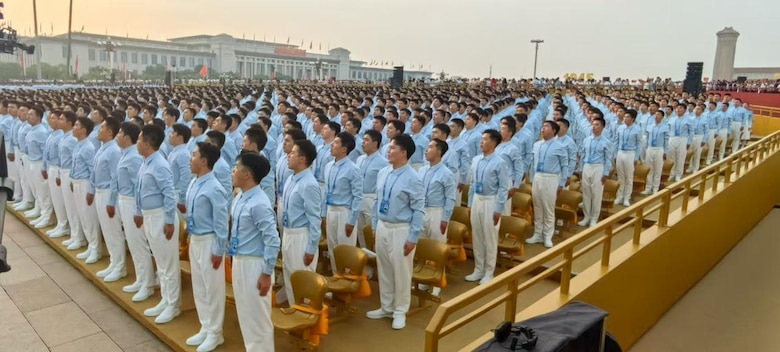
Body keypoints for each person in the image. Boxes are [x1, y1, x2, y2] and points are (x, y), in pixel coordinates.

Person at [366, 134, 424, 330]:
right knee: (384, 268)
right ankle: (386, 305)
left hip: (401, 229)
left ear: (403, 153)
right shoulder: (383, 172)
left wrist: (413, 237)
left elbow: (418, 210)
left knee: (401, 271)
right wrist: (375, 225)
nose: (388, 151)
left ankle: (400, 310)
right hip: (383, 225)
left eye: (392, 148)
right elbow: (377, 201)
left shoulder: (413, 178)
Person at [230, 152, 279, 352]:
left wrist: (267, 273)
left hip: (255, 264)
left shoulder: (259, 203)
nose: (233, 171)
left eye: (236, 168)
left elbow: (273, 240)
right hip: (240, 259)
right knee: (245, 314)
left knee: (258, 318)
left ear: (247, 174)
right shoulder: (240, 197)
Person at [185, 142, 230, 352]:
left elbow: (221, 223)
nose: (190, 159)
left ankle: (215, 332)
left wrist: (219, 250)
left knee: (213, 288)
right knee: (200, 286)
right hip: (196, 238)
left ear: (204, 161)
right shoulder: (194, 182)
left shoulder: (214, 188)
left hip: (210, 241)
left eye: (194, 155)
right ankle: (205, 326)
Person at [136, 124, 181, 324]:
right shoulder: (146, 162)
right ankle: (166, 299)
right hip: (150, 216)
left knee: (168, 264)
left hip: (161, 217)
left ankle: (174, 305)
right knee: (161, 264)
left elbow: (169, 194)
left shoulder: (160, 164)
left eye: (139, 139)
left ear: (147, 144)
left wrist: (169, 221)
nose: (137, 143)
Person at [109, 122, 154, 302]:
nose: (117, 136)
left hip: (131, 202)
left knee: (139, 244)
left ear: (127, 138)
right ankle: (141, 279)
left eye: (119, 133)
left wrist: (138, 210)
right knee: (133, 244)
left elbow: (139, 187)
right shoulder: (125, 154)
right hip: (124, 200)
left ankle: (148, 284)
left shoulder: (134, 157)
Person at [280, 139, 322, 305]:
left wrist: (311, 247)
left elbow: (315, 218)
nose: (289, 155)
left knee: (302, 278)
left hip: (301, 236)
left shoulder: (309, 184)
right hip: (289, 232)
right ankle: (294, 309)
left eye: (293, 153)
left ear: (302, 159)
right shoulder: (292, 179)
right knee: (289, 274)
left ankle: (305, 313)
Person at [466, 130, 509, 284]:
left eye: (485, 139)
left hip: (491, 201)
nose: (481, 142)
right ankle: (478, 269)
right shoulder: (476, 160)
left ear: (493, 143)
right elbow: (472, 183)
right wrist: (470, 203)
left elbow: (503, 187)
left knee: (489, 237)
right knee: (477, 236)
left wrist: (498, 209)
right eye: (481, 139)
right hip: (477, 199)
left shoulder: (500, 162)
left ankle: (489, 271)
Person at [417, 139, 456, 295]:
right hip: (422, 210)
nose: (426, 150)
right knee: (424, 247)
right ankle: (424, 278)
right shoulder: (422, 170)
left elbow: (450, 197)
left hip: (436, 211)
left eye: (430, 147)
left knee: (437, 247)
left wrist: (445, 218)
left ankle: (438, 280)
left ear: (439, 152)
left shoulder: (446, 173)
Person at [90, 117, 126, 282]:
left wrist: (111, 201)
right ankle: (113, 262)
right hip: (100, 191)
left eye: (102, 127)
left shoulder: (113, 151)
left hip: (108, 194)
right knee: (107, 230)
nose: (99, 130)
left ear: (110, 132)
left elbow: (115, 178)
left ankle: (120, 266)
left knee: (114, 232)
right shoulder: (103, 147)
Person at [323, 132, 363, 273]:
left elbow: (358, 197)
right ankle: (336, 276)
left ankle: (347, 279)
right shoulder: (329, 166)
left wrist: (352, 221)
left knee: (345, 248)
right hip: (331, 209)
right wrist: (324, 214)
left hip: (345, 212)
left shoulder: (353, 169)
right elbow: (326, 192)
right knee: (332, 247)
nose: (332, 145)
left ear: (344, 149)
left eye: (336, 143)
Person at [526, 121, 570, 248]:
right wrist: (532, 178)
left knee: (548, 208)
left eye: (546, 127)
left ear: (553, 131)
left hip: (551, 178)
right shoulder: (537, 145)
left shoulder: (559, 146)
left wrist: (561, 183)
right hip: (538, 177)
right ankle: (537, 234)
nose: (543, 128)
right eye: (543, 126)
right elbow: (532, 162)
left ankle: (547, 236)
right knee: (538, 207)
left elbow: (564, 166)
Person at [71, 117, 102, 264]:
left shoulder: (88, 147)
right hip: (77, 181)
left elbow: (93, 171)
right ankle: (90, 244)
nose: (73, 127)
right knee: (82, 215)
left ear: (84, 130)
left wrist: (91, 190)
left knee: (89, 217)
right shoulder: (79, 144)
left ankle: (96, 248)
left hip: (85, 183)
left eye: (76, 125)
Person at [577, 117, 613, 228]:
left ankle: (594, 218)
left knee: (596, 194)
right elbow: (583, 155)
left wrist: (605, 173)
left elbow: (608, 159)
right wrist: (581, 169)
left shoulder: (606, 142)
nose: (594, 127)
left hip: (598, 167)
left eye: (597, 125)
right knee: (586, 193)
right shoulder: (587, 140)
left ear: (602, 127)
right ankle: (586, 217)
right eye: (593, 124)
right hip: (587, 166)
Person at [355, 130, 387, 249]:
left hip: (371, 198)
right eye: (363, 139)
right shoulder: (359, 159)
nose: (363, 142)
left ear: (375, 143)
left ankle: (373, 256)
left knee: (370, 231)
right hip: (359, 196)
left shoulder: (383, 162)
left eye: (366, 140)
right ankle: (364, 256)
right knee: (360, 231)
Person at [615, 110, 641, 206]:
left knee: (628, 177)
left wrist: (636, 157)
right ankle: (619, 196)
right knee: (620, 176)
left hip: (630, 153)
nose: (625, 118)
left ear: (633, 119)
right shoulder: (620, 128)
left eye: (627, 117)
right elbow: (616, 141)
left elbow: (639, 144)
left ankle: (627, 197)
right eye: (625, 117)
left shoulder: (637, 129)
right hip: (620, 152)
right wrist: (615, 154)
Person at [167, 124, 193, 221]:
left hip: (177, 195)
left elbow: (186, 177)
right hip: (172, 193)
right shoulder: (174, 152)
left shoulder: (183, 154)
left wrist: (181, 200)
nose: (170, 135)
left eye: (172, 133)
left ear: (180, 137)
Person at [643, 111, 669, 195]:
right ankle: (648, 188)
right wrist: (646, 148)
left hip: (659, 149)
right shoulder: (649, 126)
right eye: (656, 114)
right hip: (650, 148)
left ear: (662, 117)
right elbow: (647, 138)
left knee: (657, 170)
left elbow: (666, 140)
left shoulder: (665, 127)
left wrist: (665, 152)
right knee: (649, 169)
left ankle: (655, 188)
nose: (656, 116)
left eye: (658, 114)